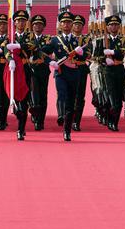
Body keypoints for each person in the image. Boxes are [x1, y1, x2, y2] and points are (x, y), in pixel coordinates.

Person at [43, 10, 85, 141]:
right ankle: (61, 115)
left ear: (72, 24)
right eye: (64, 22)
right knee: (61, 93)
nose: (66, 24)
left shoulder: (78, 40)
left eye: (68, 22)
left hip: (74, 73)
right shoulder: (55, 40)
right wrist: (51, 62)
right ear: (60, 25)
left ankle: (67, 130)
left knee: (71, 100)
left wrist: (81, 53)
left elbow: (85, 57)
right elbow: (42, 52)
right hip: (60, 72)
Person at [95, 14, 125, 131]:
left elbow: (124, 50)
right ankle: (110, 119)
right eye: (111, 25)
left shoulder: (123, 39)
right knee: (111, 95)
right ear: (107, 27)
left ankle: (115, 121)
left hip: (119, 69)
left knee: (118, 96)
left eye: (116, 25)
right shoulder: (101, 40)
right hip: (107, 71)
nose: (113, 27)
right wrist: (104, 60)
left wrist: (112, 52)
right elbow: (96, 56)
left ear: (119, 26)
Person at [6, 9, 32, 140]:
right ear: (14, 23)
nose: (21, 23)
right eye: (18, 21)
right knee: (15, 98)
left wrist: (18, 46)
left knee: (24, 100)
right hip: (13, 70)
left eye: (23, 21)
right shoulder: (10, 36)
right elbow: (5, 48)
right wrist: (10, 58)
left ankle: (21, 129)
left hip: (25, 70)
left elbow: (32, 46)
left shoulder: (30, 36)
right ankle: (19, 114)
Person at [25, 13, 51, 130]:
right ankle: (35, 113)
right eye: (35, 24)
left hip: (43, 70)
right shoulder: (28, 38)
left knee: (43, 95)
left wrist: (37, 52)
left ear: (44, 26)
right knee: (33, 92)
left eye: (40, 24)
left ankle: (41, 120)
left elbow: (48, 51)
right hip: (31, 69)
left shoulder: (48, 39)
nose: (37, 26)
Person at [71, 14, 91, 131]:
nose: (77, 26)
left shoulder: (86, 40)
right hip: (69, 68)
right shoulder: (66, 38)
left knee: (79, 96)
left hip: (81, 69)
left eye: (79, 24)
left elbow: (88, 54)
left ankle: (76, 121)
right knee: (69, 95)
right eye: (75, 24)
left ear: (83, 26)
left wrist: (82, 53)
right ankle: (68, 117)